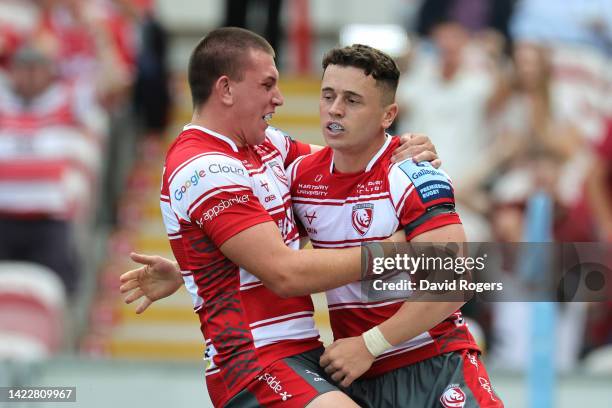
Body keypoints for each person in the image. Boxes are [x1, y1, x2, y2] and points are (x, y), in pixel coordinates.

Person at [122, 34, 503, 407]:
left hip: (419, 361)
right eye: (327, 96)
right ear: (225, 89)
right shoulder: (204, 167)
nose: (281, 98)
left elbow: (452, 276)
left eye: (352, 100)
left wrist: (195, 267)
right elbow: (285, 272)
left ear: (388, 115)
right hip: (260, 360)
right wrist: (396, 249)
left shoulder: (277, 150)